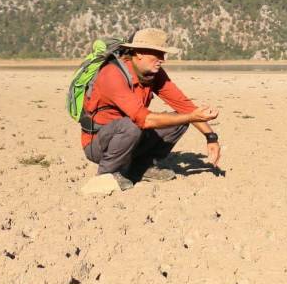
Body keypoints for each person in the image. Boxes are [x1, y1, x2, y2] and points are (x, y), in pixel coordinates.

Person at [80, 28, 220, 190]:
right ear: (139, 53)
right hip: (98, 143)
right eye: (157, 54)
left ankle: (141, 168)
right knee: (132, 125)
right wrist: (190, 116)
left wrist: (210, 136)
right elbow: (143, 119)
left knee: (180, 120)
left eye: (163, 55)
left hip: (130, 135)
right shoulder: (112, 75)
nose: (162, 60)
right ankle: (106, 174)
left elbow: (184, 105)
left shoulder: (154, 74)